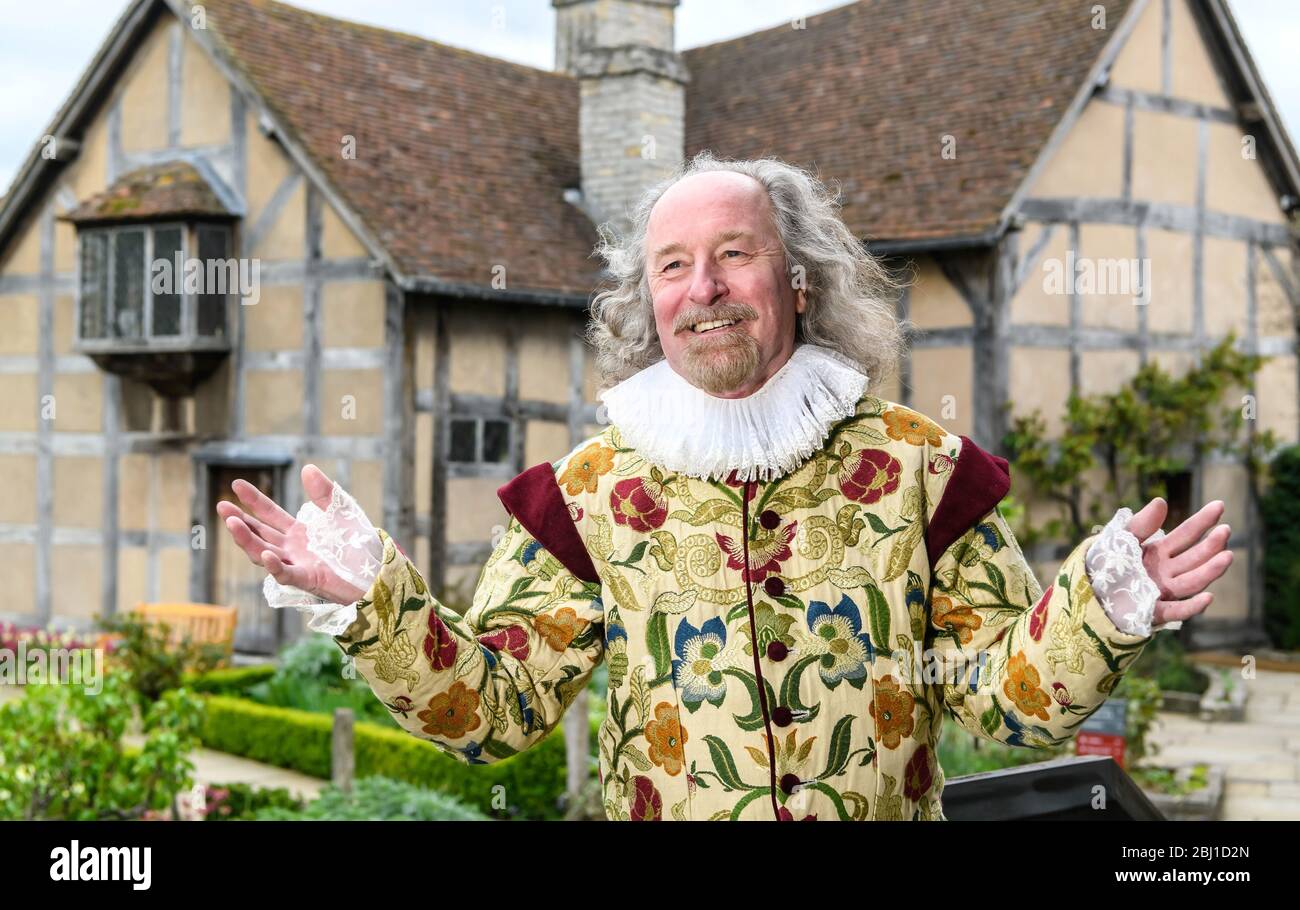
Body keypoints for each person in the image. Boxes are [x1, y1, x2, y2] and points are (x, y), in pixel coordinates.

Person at [219, 152, 1233, 821]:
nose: (700, 289)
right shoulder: (586, 491)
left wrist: (1098, 610)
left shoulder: (921, 469)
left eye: (732, 256)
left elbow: (1003, 710)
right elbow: (498, 715)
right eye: (671, 266)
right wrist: (370, 603)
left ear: (796, 280)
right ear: (646, 299)